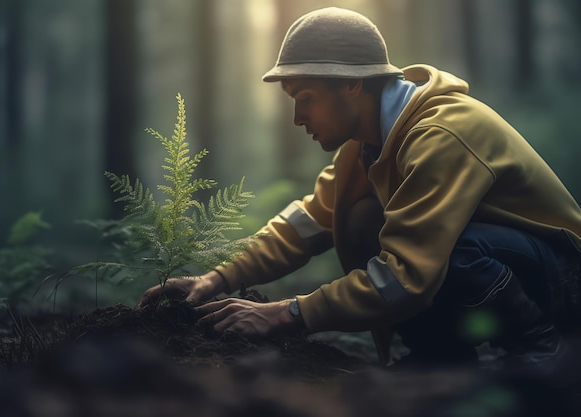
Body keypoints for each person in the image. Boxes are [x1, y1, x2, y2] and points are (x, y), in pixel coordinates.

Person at [139, 7, 581, 379]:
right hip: (517, 267)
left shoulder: (441, 135)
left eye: (306, 97)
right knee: (358, 217)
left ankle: (542, 349)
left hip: (564, 278)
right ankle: (439, 357)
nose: (298, 117)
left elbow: (408, 276)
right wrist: (217, 279)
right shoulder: (368, 146)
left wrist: (288, 314)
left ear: (353, 84)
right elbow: (307, 224)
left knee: (446, 252)